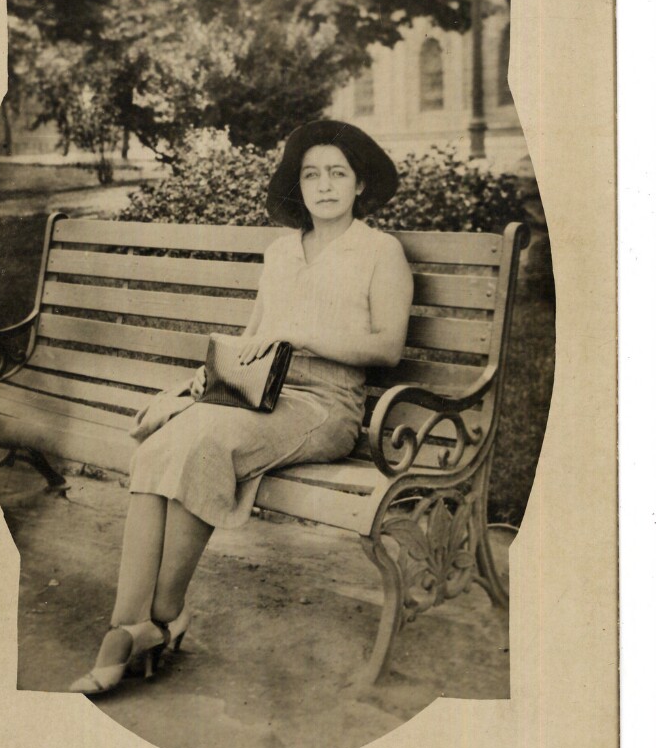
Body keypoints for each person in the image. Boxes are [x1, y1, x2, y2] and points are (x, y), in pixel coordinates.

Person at [70, 120, 414, 695]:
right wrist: (197, 386)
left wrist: (302, 335)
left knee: (206, 440)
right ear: (298, 186)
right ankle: (127, 625)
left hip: (327, 407)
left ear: (360, 184)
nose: (324, 185)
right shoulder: (281, 253)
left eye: (338, 173)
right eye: (311, 175)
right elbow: (250, 341)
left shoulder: (381, 252)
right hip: (258, 395)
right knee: (162, 442)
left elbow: (388, 347)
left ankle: (165, 614)